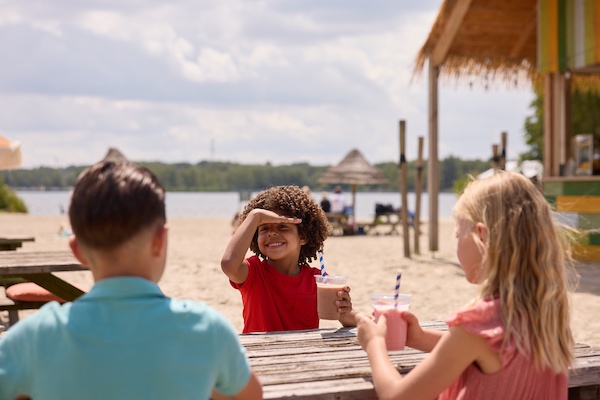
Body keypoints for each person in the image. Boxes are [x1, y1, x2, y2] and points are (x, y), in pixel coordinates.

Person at [0, 160, 262, 400]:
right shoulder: (207, 332)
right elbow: (249, 396)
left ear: (77, 250)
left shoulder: (32, 339)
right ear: (160, 241)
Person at [356, 171, 576, 399]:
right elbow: (491, 354)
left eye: (457, 235)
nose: (457, 244)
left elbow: (397, 396)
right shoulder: (543, 311)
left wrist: (374, 343)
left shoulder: (480, 322)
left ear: (481, 236)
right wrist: (419, 338)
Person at [221, 185, 357, 333]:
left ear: (303, 236)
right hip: (260, 353)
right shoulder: (254, 273)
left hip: (304, 353)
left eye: (283, 227)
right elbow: (229, 264)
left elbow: (348, 318)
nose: (272, 233)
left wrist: (343, 309)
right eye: (264, 228)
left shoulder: (317, 280)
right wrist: (254, 216)